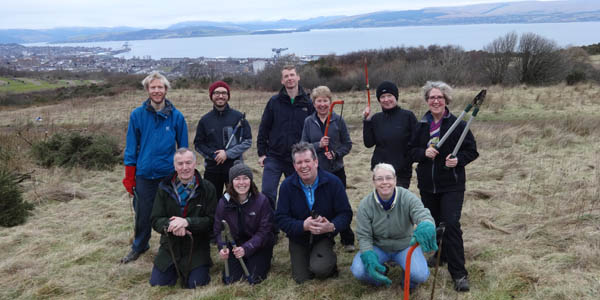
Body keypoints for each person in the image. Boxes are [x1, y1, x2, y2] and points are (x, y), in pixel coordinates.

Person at [409, 81, 479, 292]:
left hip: (452, 184)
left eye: (440, 97)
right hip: (428, 185)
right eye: (432, 97)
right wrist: (423, 153)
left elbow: (472, 150)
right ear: (427, 100)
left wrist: (458, 161)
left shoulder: (458, 124)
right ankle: (441, 255)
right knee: (435, 223)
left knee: (450, 224)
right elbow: (410, 151)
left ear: (446, 100)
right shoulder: (421, 124)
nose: (436, 101)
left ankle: (459, 274)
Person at [121, 71, 189, 264]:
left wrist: (183, 173)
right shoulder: (137, 115)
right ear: (147, 90)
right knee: (143, 213)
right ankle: (140, 245)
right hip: (145, 174)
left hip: (169, 175)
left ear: (166, 89)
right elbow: (131, 147)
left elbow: (183, 149)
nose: (157, 91)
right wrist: (129, 176)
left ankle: (171, 244)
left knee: (172, 212)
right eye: (153, 87)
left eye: (160, 87)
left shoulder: (177, 117)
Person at [275, 142, 353, 284]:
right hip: (298, 237)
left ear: (316, 162)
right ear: (294, 166)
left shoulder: (333, 182)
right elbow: (280, 218)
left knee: (321, 270)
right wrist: (302, 226)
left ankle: (327, 260)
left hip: (323, 236)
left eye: (307, 161)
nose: (303, 166)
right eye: (299, 162)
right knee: (301, 278)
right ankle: (309, 257)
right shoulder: (286, 186)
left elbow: (346, 214)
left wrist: (332, 226)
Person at [350, 163, 437, 290]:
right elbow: (364, 235)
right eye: (379, 179)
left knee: (420, 275)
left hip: (405, 245)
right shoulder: (365, 205)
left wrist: (426, 224)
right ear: (374, 181)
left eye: (388, 178)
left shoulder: (407, 197)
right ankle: (380, 276)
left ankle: (408, 281)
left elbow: (422, 213)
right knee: (359, 271)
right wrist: (368, 253)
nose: (385, 182)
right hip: (378, 246)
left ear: (395, 180)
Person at [149, 148, 217, 288]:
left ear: (195, 163)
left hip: (197, 246)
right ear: (174, 166)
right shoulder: (164, 188)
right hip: (170, 246)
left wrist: (187, 222)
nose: (184, 167)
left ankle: (199, 267)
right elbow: (155, 219)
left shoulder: (208, 188)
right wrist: (172, 225)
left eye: (188, 162)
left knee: (196, 284)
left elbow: (211, 221)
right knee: (158, 283)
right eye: (180, 164)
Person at [301, 85, 355, 252]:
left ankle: (347, 239)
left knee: (341, 204)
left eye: (325, 100)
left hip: (336, 170)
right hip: (317, 172)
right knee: (320, 203)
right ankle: (323, 236)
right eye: (319, 101)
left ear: (330, 102)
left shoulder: (338, 121)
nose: (322, 104)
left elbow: (347, 144)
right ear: (314, 103)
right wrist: (318, 145)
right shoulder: (308, 122)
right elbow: (303, 146)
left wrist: (336, 154)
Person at [257, 65, 314, 210]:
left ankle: (295, 227)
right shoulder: (274, 102)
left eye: (292, 75)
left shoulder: (308, 103)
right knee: (268, 193)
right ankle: (270, 229)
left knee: (296, 194)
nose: (290, 78)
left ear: (298, 77)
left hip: (297, 158)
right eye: (286, 76)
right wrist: (262, 153)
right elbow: (264, 127)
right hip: (274, 156)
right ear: (282, 81)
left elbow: (313, 129)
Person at [213, 161, 275, 284]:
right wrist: (222, 247)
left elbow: (265, 231)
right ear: (231, 182)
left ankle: (264, 260)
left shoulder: (262, 201)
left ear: (251, 181)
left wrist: (246, 248)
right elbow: (219, 229)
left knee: (254, 277)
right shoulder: (223, 203)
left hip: (258, 246)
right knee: (232, 280)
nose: (242, 183)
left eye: (245, 178)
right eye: (237, 179)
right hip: (235, 246)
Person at [194, 80, 252, 197]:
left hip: (234, 168)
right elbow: (198, 144)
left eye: (224, 93)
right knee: (211, 202)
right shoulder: (205, 120)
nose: (220, 96)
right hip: (212, 168)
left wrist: (227, 154)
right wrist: (213, 155)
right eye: (216, 93)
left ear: (228, 96)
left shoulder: (239, 117)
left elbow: (247, 141)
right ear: (211, 96)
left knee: (236, 200)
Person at [363, 81, 417, 188]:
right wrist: (366, 121)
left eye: (389, 96)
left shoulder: (408, 116)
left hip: (401, 172)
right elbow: (368, 143)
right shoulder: (375, 118)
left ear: (396, 97)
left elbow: (416, 142)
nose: (386, 100)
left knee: (398, 201)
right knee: (382, 202)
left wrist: (407, 160)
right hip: (380, 171)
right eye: (382, 97)